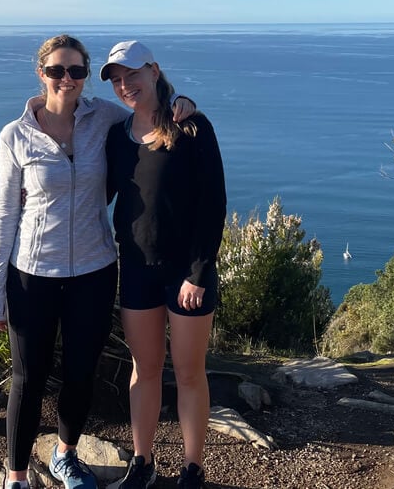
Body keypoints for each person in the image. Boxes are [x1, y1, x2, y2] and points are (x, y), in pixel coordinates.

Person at [0, 35, 195, 489]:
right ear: (40, 74)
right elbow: (5, 213)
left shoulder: (105, 118)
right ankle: (16, 476)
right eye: (58, 71)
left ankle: (65, 455)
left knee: (82, 372)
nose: (68, 80)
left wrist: (180, 99)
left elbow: (149, 115)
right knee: (29, 378)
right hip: (32, 274)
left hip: (96, 271)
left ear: (85, 75)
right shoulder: (15, 135)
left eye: (77, 71)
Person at [101, 41, 227, 489]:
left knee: (190, 373)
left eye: (132, 74)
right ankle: (143, 462)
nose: (124, 85)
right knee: (145, 368)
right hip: (136, 268)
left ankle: (192, 468)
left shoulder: (192, 127)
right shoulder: (117, 135)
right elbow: (94, 191)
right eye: (117, 79)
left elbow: (213, 205)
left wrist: (197, 273)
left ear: (153, 70)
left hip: (187, 273)